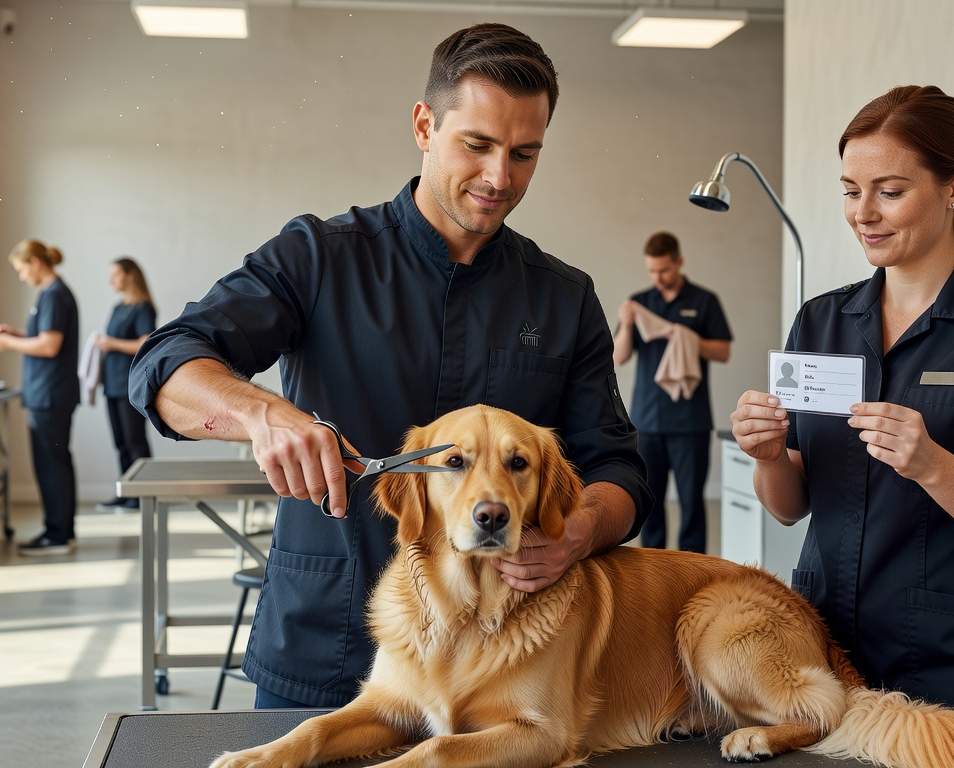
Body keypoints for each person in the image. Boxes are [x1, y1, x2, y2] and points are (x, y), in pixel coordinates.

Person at [129, 23, 649, 709]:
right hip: (327, 645)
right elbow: (164, 366)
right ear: (424, 125)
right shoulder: (317, 257)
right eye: (478, 145)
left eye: (525, 155)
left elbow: (617, 467)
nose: (500, 178)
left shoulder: (562, 296)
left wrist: (578, 530)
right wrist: (264, 414)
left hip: (498, 671)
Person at [728, 85, 954, 768]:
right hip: (824, 667)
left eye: (889, 191)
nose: (863, 214)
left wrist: (931, 464)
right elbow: (788, 507)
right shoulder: (821, 323)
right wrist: (770, 455)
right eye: (849, 191)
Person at [612, 232, 731, 554]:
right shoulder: (640, 303)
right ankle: (654, 569)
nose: (658, 277)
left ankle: (693, 571)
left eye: (663, 270)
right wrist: (625, 325)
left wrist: (686, 338)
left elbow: (722, 351)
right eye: (652, 271)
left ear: (678, 262)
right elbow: (619, 356)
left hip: (691, 421)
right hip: (647, 420)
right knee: (649, 501)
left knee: (692, 501)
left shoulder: (704, 301)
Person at [0, 239, 81, 555]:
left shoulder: (55, 296)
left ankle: (57, 535)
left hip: (50, 396)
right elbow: (42, 337)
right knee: (55, 463)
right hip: (49, 394)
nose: (21, 276)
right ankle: (61, 532)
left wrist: (8, 345)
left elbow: (49, 345)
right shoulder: (51, 295)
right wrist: (15, 334)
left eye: (21, 269)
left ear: (36, 263)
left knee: (52, 465)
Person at [93, 257, 157, 511]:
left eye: (116, 274)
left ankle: (141, 495)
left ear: (130, 275)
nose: (111, 280)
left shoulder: (143, 308)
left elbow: (145, 342)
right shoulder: (119, 307)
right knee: (120, 442)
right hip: (112, 384)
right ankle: (126, 491)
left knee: (134, 440)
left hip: (130, 384)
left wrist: (112, 344)